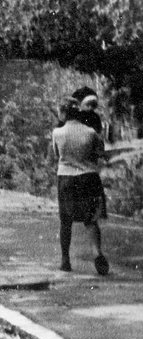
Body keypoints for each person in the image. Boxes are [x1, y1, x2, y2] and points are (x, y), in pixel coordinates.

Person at [52, 98, 109, 275]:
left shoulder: (58, 133)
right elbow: (100, 153)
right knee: (91, 219)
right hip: (89, 178)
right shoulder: (91, 132)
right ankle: (97, 253)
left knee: (66, 221)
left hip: (67, 178)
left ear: (63, 113)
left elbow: (56, 154)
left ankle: (65, 260)